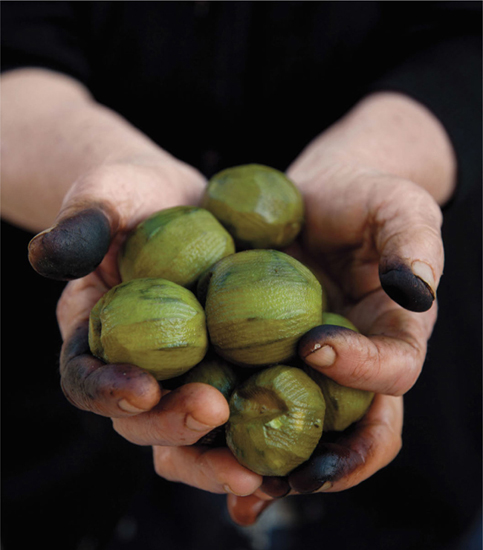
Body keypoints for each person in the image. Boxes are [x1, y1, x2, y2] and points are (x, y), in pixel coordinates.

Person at [1, 2, 481, 549]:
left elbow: (468, 37)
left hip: (418, 463)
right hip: (55, 461)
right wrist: (93, 175)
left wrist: (379, 162)